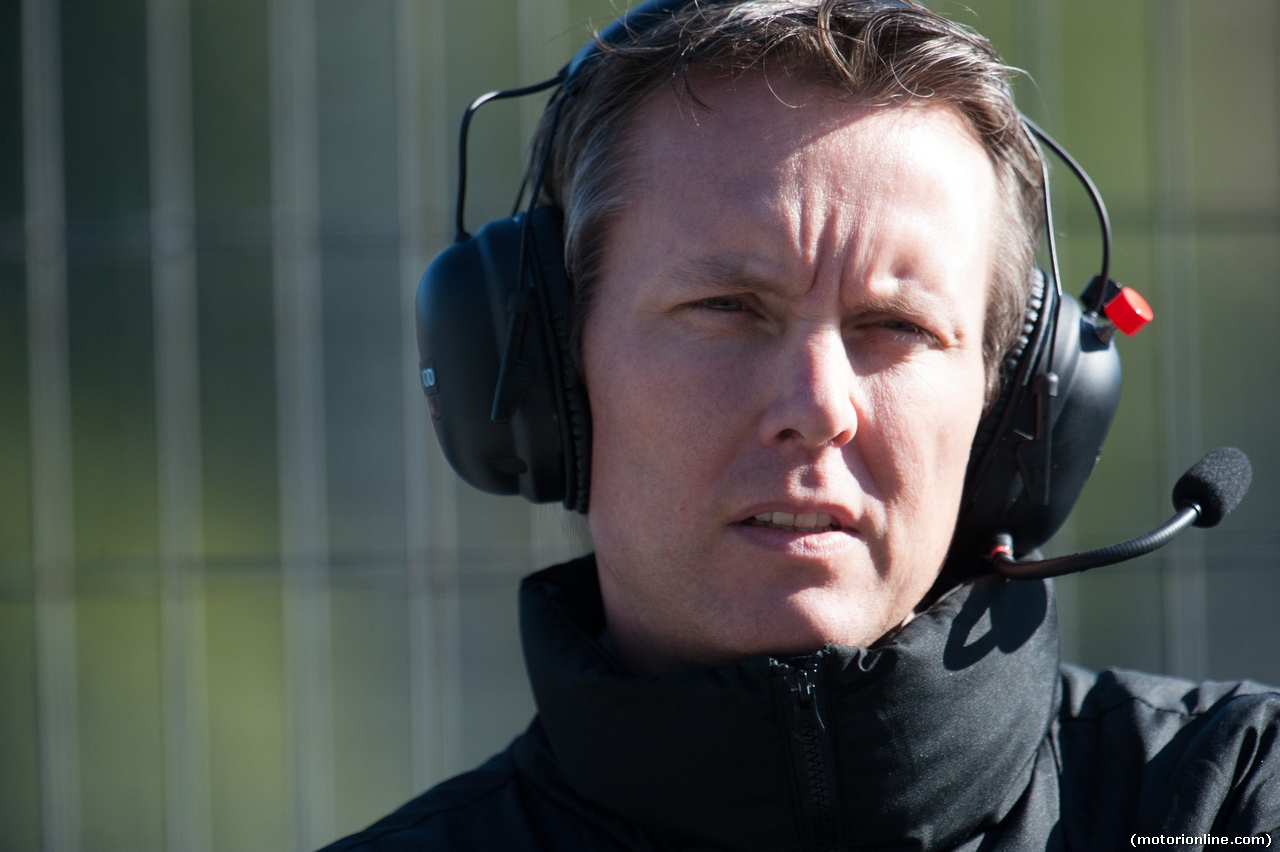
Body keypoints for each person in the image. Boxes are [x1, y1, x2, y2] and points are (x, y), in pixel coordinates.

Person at [324, 1, 1280, 849]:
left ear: (1019, 403)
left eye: (897, 327)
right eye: (728, 309)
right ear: (547, 373)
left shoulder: (1231, 800)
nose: (818, 408)